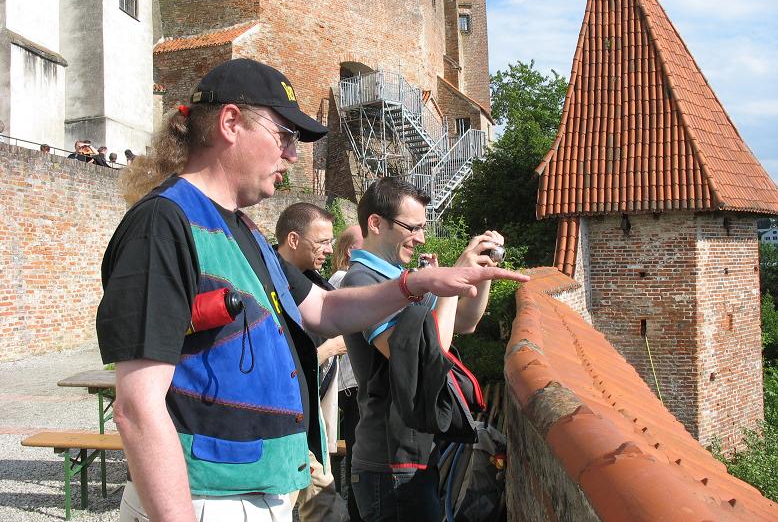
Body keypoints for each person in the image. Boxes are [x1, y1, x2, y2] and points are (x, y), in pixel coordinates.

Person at [95, 58, 527, 522]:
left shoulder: (244, 230)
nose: (293, 155)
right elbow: (136, 407)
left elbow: (324, 308)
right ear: (231, 123)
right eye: (284, 136)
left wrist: (416, 283)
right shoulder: (163, 225)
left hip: (255, 490)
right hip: (204, 497)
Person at [341, 177, 508, 522]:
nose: (421, 238)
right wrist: (453, 277)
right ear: (376, 223)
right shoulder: (362, 280)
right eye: (412, 228)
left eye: (422, 227)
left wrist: (482, 273)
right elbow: (422, 357)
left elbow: (464, 321)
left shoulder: (400, 277)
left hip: (414, 454)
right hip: (389, 463)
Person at [275, 203, 346, 522]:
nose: (330, 250)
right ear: (293, 239)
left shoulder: (314, 284)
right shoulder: (267, 287)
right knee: (284, 505)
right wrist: (329, 349)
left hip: (307, 416)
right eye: (322, 242)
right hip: (281, 421)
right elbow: (277, 367)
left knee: (325, 505)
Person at [329, 225, 364, 521]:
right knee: (358, 454)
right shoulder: (343, 278)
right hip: (352, 382)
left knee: (357, 452)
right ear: (351, 250)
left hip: (351, 382)